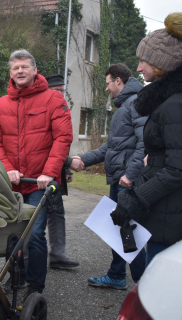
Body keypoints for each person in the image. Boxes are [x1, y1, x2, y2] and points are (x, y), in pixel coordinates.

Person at [0, 49, 73, 303]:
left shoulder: (52, 99)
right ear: (10, 73)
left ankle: (35, 286)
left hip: (39, 183)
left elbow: (63, 137)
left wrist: (49, 172)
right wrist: (6, 167)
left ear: (35, 70)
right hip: (12, 183)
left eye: (24, 67)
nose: (20, 71)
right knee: (10, 233)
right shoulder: (2, 103)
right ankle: (15, 275)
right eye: (15, 68)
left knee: (35, 233)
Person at [111, 13, 182, 267]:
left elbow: (177, 169)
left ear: (162, 63)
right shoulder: (166, 100)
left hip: (169, 220)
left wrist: (135, 198)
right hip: (164, 211)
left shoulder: (174, 105)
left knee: (157, 290)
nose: (138, 68)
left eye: (143, 61)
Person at [70, 63, 147, 290]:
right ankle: (116, 275)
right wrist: (83, 159)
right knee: (118, 230)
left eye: (108, 83)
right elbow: (111, 148)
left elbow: (146, 144)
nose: (106, 89)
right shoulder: (125, 106)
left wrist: (130, 175)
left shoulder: (135, 104)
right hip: (118, 179)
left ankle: (146, 283)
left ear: (118, 82)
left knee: (128, 233)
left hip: (126, 181)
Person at [44, 74, 79, 269]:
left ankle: (58, 255)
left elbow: (63, 141)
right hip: (40, 175)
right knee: (36, 219)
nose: (62, 95)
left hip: (56, 173)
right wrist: (68, 162)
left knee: (57, 213)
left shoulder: (61, 109)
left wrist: (66, 168)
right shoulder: (43, 109)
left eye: (63, 91)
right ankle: (26, 262)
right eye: (57, 91)